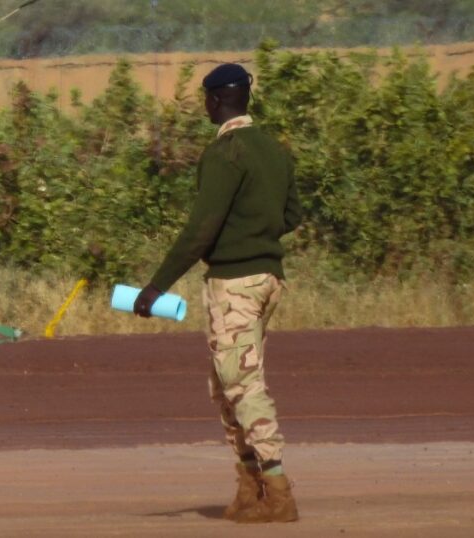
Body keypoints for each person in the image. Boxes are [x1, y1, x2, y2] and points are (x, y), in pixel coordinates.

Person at [133, 63, 302, 524]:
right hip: (268, 279)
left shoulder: (225, 153)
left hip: (234, 284)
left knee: (243, 385)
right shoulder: (274, 149)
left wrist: (156, 286)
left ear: (214, 100)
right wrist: (255, 229)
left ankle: (278, 489)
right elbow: (291, 215)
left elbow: (201, 229)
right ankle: (249, 486)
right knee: (225, 383)